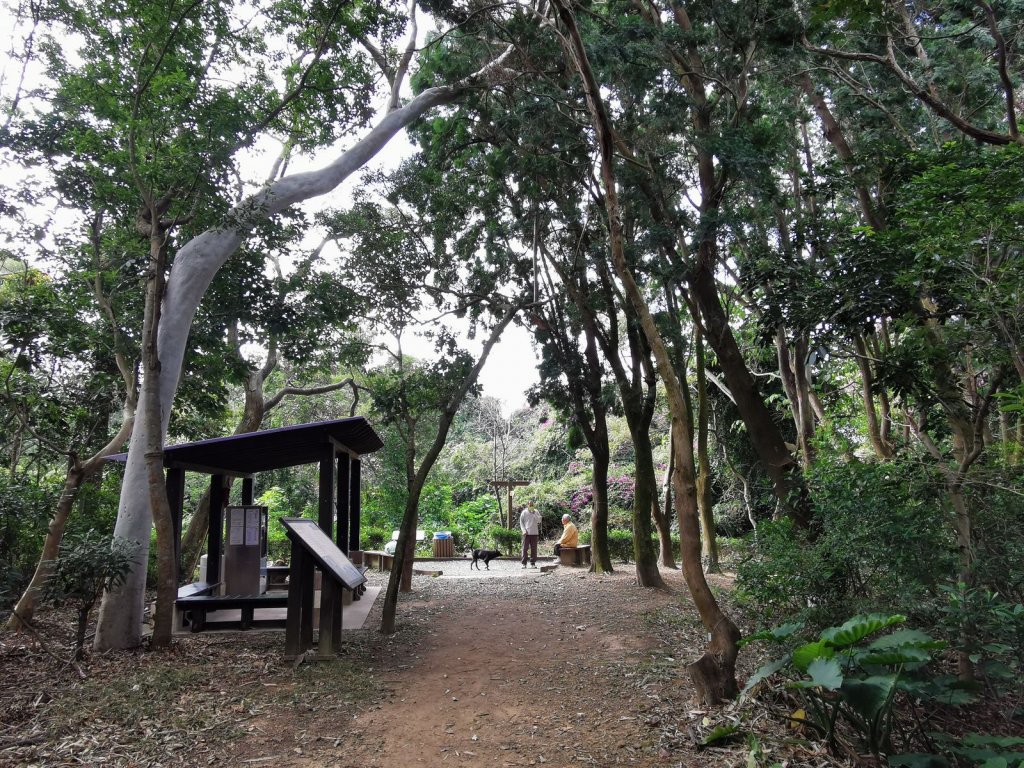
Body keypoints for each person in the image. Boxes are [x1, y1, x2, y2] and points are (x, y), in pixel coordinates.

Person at [519, 501, 541, 568]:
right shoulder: (524, 512)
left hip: (534, 532)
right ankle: (524, 563)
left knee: (534, 549)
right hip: (526, 533)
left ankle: (533, 563)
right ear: (527, 505)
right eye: (530, 505)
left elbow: (539, 521)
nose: (531, 506)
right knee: (525, 548)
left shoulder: (536, 511)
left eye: (532, 505)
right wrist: (523, 530)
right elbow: (521, 522)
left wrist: (534, 514)